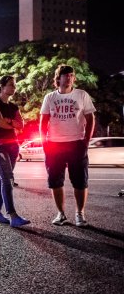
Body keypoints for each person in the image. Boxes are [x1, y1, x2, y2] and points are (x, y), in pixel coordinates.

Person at [40, 64, 95, 227]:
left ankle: (80, 214)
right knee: (55, 181)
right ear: (58, 78)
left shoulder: (82, 95)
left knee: (80, 181)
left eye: (72, 75)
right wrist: (44, 142)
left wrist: (86, 140)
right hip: (54, 145)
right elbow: (43, 122)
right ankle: (61, 214)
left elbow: (90, 118)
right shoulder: (50, 97)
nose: (70, 77)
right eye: (66, 75)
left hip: (76, 143)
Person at [0, 75, 30, 227]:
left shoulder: (13, 107)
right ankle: (13, 216)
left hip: (13, 146)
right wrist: (13, 124)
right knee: (7, 179)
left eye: (14, 85)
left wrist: (10, 121)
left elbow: (21, 125)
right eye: (11, 85)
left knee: (2, 180)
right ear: (2, 86)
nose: (14, 88)